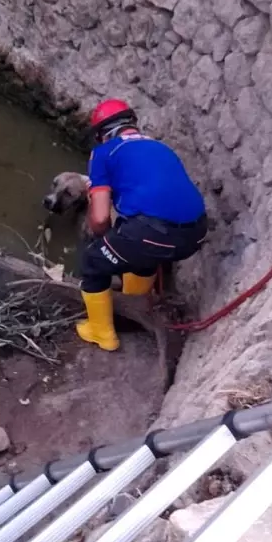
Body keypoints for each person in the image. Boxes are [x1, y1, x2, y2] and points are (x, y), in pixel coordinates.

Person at [77, 98, 207, 352]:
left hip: (152, 233)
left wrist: (102, 240)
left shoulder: (103, 153)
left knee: (92, 262)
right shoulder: (160, 147)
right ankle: (135, 304)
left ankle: (102, 333)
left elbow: (101, 218)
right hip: (198, 233)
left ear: (102, 134)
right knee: (139, 250)